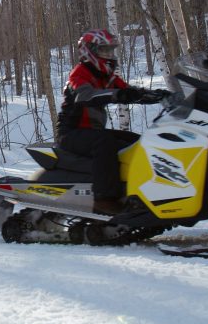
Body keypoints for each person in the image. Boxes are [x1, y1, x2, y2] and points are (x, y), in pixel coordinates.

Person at [57, 29, 169, 215]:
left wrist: (158, 95)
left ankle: (135, 191)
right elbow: (87, 96)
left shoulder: (107, 77)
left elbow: (129, 91)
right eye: (104, 51)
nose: (109, 56)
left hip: (91, 132)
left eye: (111, 51)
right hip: (71, 134)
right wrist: (119, 95)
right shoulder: (78, 74)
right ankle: (104, 199)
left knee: (135, 141)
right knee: (105, 142)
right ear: (90, 51)